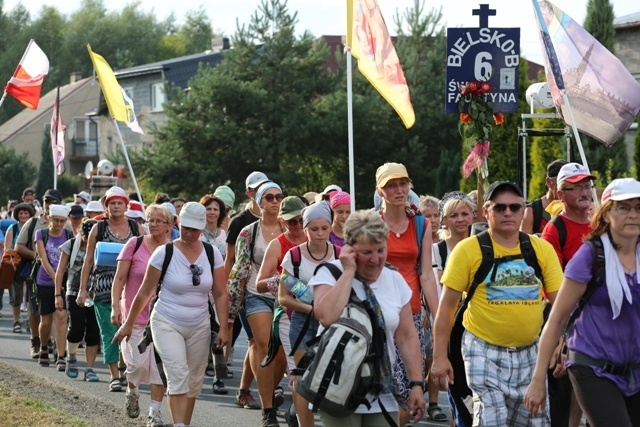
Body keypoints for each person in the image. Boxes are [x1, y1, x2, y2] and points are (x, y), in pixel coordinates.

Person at [431, 181, 564, 427]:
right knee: (491, 420)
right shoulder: (467, 250)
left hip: (531, 351)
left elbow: (560, 305)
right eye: (500, 207)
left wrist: (561, 342)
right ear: (486, 212)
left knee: (534, 421)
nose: (507, 213)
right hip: (482, 349)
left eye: (515, 207)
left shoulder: (541, 250)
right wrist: (440, 357)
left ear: (524, 211)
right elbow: (447, 307)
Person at [526, 177, 640, 426]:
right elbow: (557, 317)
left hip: (634, 367)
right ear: (607, 213)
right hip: (592, 365)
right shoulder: (591, 255)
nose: (633, 214)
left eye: (638, 207)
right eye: (624, 207)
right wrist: (538, 380)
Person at [114, 202, 229, 427]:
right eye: (185, 227)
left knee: (194, 381)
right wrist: (128, 323)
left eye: (195, 229)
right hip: (167, 321)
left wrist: (224, 327)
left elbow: (221, 292)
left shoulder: (211, 253)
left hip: (200, 323)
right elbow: (145, 291)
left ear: (203, 227)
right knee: (177, 374)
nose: (189, 233)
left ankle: (183, 424)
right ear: (178, 223)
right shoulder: (164, 252)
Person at [309, 210, 426, 426]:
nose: (375, 259)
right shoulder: (330, 274)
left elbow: (407, 337)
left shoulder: (395, 279)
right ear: (350, 249)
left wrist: (416, 383)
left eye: (381, 250)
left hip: (382, 387)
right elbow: (326, 316)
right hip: (337, 386)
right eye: (366, 252)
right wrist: (348, 272)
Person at [375, 162, 440, 426]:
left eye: (402, 183)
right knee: (379, 388)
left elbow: (426, 274)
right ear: (380, 191)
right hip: (377, 314)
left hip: (410, 313)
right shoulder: (372, 223)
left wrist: (439, 319)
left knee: (407, 391)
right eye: (391, 185)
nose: (398, 190)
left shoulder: (421, 224)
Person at [539, 163, 596, 427]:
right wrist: (562, 334)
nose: (585, 192)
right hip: (565, 316)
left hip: (599, 315)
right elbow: (550, 286)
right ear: (561, 194)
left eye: (587, 186)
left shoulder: (601, 223)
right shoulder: (555, 229)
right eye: (577, 188)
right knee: (563, 386)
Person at [228, 182, 285, 427]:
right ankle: (268, 409)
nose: (274, 201)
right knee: (263, 346)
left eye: (278, 196)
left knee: (282, 354)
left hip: (286, 297)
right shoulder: (248, 232)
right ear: (259, 202)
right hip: (255, 293)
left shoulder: (290, 227)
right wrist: (231, 306)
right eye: (269, 197)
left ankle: (267, 390)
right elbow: (239, 268)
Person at [78, 186, 144, 392]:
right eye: (112, 203)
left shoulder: (136, 228)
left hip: (131, 288)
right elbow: (88, 261)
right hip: (103, 287)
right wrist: (82, 289)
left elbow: (146, 254)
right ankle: (114, 375)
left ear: (126, 206)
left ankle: (126, 369)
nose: (116, 206)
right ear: (106, 206)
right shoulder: (98, 228)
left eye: (119, 203)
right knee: (108, 332)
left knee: (129, 330)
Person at [111, 205, 172, 425]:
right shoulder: (134, 244)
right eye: (150, 221)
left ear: (169, 225)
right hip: (134, 316)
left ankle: (154, 414)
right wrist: (115, 307)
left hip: (164, 317)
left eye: (158, 221)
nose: (153, 225)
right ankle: (132, 391)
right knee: (135, 365)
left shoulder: (173, 249)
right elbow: (119, 279)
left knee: (158, 369)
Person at [278, 201, 337, 427]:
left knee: (329, 376)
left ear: (331, 227)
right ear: (305, 229)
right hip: (302, 322)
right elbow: (283, 298)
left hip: (332, 322)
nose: (320, 234)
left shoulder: (340, 254)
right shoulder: (293, 257)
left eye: (324, 228)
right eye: (314, 229)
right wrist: (312, 309)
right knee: (302, 377)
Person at [255, 196, 308, 418]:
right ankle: (293, 414)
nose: (296, 225)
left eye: (299, 220)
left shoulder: (315, 236)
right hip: (287, 312)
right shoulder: (277, 244)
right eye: (291, 221)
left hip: (316, 313)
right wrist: (281, 280)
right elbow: (259, 284)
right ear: (282, 221)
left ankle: (296, 411)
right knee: (296, 366)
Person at [225, 171, 270, 411]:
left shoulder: (282, 221)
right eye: (256, 189)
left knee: (267, 344)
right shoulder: (240, 222)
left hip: (277, 292)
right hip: (246, 291)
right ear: (249, 193)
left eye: (274, 194)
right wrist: (227, 293)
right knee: (255, 341)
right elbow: (230, 260)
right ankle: (252, 392)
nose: (269, 198)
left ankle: (249, 388)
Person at [15, 188, 65, 359]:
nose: (49, 204)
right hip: (36, 275)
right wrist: (39, 256)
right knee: (36, 311)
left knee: (56, 312)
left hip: (60, 277)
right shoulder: (33, 223)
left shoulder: (64, 223)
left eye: (53, 201)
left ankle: (49, 341)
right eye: (46, 201)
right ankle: (36, 341)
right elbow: (19, 246)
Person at [55, 218, 101, 381]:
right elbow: (60, 272)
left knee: (94, 332)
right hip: (73, 291)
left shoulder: (100, 246)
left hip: (96, 293)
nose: (89, 239)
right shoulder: (71, 245)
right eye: (87, 235)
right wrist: (57, 294)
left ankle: (89, 368)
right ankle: (71, 357)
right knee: (76, 328)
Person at [35, 204, 73, 369]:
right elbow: (43, 259)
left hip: (64, 284)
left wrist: (61, 282)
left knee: (62, 316)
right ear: (49, 219)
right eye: (56, 220)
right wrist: (55, 277)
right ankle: (43, 346)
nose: (58, 224)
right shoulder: (41, 234)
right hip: (45, 281)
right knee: (46, 320)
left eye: (62, 221)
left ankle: (61, 354)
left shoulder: (69, 235)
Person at [4, 203, 35, 333]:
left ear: (30, 214)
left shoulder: (34, 227)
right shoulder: (13, 227)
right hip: (16, 265)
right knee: (16, 295)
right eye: (21, 213)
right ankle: (16, 321)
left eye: (26, 213)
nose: (23, 215)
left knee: (30, 295)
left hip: (30, 263)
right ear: (17, 215)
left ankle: (30, 320)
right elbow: (7, 249)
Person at [521, 159, 568, 235]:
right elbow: (524, 244)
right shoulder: (532, 211)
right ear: (549, 182)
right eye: (561, 184)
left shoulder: (575, 209)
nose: (565, 190)